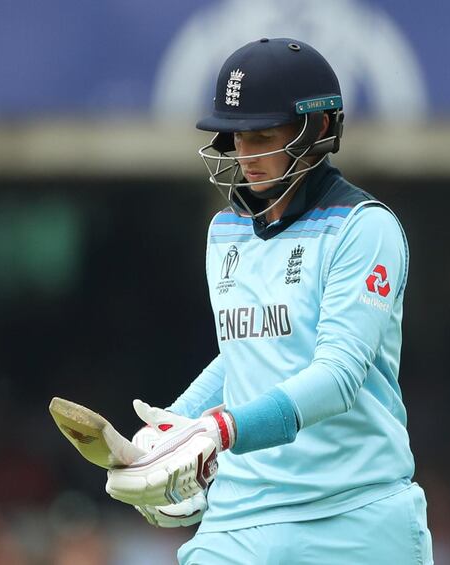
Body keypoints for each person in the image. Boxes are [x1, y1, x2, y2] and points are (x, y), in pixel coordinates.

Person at [105, 37, 433, 564]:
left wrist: (219, 429)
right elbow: (246, 351)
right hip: (241, 519)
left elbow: (340, 375)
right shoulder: (225, 231)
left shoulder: (365, 228)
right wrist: (170, 429)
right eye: (236, 138)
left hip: (356, 518)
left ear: (318, 129)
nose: (244, 155)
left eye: (263, 136)